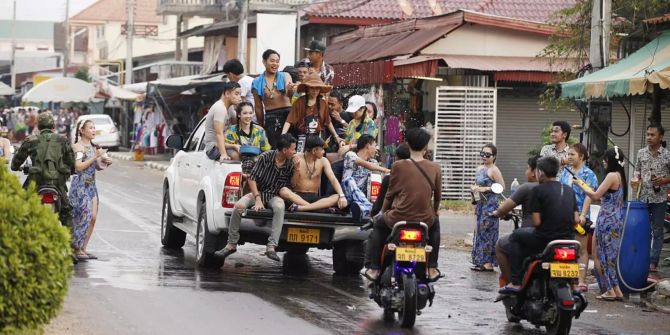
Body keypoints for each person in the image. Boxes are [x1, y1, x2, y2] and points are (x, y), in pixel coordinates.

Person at [362, 128, 443, 282]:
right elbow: (438, 197)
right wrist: (434, 212)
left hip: (397, 217)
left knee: (378, 225)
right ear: (426, 147)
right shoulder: (435, 168)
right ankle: (432, 267)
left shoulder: (398, 166)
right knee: (436, 226)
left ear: (409, 144)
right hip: (425, 219)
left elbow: (390, 194)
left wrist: (382, 212)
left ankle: (374, 268)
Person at [214, 134, 297, 262]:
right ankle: (231, 244)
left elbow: (293, 185)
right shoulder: (266, 157)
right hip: (258, 192)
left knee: (280, 206)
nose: (294, 152)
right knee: (238, 206)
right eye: (293, 149)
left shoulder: (290, 163)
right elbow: (252, 179)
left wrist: (297, 169)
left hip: (274, 195)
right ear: (285, 150)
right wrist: (257, 198)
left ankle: (271, 246)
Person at [500, 157, 578, 294]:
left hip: (544, 238)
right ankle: (575, 283)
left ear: (540, 172)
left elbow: (536, 222)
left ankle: (516, 282)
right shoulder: (568, 190)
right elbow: (576, 219)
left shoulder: (538, 190)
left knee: (515, 236)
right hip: (568, 239)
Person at [575, 146, 626, 300]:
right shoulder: (620, 175)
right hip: (616, 219)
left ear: (610, 161)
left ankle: (610, 290)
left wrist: (580, 184)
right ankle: (616, 290)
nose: (604, 162)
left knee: (603, 256)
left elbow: (596, 195)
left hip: (607, 220)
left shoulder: (611, 176)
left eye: (606, 159)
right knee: (609, 257)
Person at [11, 113, 75, 230]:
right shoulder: (63, 140)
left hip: (35, 182)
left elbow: (15, 164)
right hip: (57, 183)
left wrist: (17, 167)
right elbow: (71, 162)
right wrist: (70, 170)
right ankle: (72, 245)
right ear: (53, 126)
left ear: (38, 126)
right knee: (66, 212)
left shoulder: (30, 140)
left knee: (21, 208)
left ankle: (21, 240)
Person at [69, 119, 113, 260]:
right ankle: (75, 248)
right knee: (83, 216)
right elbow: (78, 167)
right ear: (82, 130)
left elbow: (98, 167)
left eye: (94, 128)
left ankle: (83, 247)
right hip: (80, 185)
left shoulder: (95, 147)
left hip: (91, 186)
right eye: (90, 128)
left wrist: (105, 161)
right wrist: (95, 156)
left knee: (92, 218)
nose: (94, 130)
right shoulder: (78, 147)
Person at [492, 155, 540, 284]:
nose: (526, 172)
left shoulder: (527, 188)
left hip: (533, 236)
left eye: (527, 168)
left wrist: (496, 213)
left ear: (536, 172)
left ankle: (513, 282)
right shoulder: (562, 188)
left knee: (500, 245)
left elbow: (503, 209)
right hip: (558, 235)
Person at [630, 124, 670, 273]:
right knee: (642, 229)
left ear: (660, 137)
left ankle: (653, 261)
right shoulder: (641, 153)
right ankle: (642, 257)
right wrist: (635, 179)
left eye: (652, 135)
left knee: (657, 231)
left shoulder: (667, 155)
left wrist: (664, 180)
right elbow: (637, 171)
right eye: (647, 134)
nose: (649, 137)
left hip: (659, 199)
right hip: (643, 197)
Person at [559, 143, 599, 292]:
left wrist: (583, 214)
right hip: (565, 215)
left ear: (581, 156)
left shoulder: (589, 174)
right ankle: (567, 278)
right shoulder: (565, 172)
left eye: (572, 155)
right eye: (568, 154)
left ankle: (582, 280)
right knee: (565, 247)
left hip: (581, 217)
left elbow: (590, 196)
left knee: (581, 249)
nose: (568, 157)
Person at [279, 135, 348, 212]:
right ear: (314, 151)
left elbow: (333, 179)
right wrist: (297, 169)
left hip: (315, 198)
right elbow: (292, 184)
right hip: (298, 196)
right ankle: (317, 209)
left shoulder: (324, 161)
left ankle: (303, 208)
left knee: (337, 197)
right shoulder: (296, 158)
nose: (324, 152)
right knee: (283, 191)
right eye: (322, 149)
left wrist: (342, 196)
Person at [252, 49, 297, 149]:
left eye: (277, 61)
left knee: (292, 146)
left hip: (289, 114)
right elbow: (258, 107)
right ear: (264, 61)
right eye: (272, 61)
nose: (275, 64)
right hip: (271, 117)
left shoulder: (285, 75)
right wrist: (261, 125)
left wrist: (290, 89)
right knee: (276, 148)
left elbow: (290, 94)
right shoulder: (257, 82)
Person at [282, 73, 341, 146]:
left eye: (317, 88)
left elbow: (328, 122)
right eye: (312, 88)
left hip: (318, 138)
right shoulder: (299, 102)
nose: (315, 91)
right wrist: (283, 135)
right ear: (307, 88)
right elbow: (289, 120)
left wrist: (336, 136)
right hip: (302, 137)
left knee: (319, 156)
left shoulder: (323, 103)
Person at [471, 143, 505, 272]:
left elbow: (501, 187)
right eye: (482, 154)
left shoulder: (494, 170)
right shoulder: (479, 168)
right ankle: (480, 260)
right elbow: (476, 183)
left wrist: (485, 188)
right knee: (479, 231)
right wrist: (474, 189)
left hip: (490, 205)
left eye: (487, 155)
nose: (484, 157)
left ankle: (488, 263)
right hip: (480, 204)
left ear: (494, 156)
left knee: (488, 232)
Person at [341, 134, 390, 220]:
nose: (376, 149)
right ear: (368, 146)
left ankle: (362, 208)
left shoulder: (374, 162)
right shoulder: (350, 155)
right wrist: (385, 170)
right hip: (348, 192)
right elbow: (367, 165)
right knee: (349, 180)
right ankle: (369, 208)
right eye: (375, 146)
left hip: (363, 198)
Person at [224, 102, 271, 175]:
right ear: (239, 115)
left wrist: (259, 158)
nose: (248, 116)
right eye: (245, 113)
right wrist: (234, 146)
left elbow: (267, 150)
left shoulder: (259, 130)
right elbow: (222, 144)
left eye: (250, 113)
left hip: (257, 166)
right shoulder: (232, 130)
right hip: (239, 168)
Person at [204, 81, 242, 162]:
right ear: (227, 94)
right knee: (236, 155)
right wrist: (223, 154)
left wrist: (240, 108)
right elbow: (219, 133)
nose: (240, 97)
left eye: (240, 94)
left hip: (226, 144)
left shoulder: (230, 108)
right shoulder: (220, 108)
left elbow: (238, 125)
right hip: (213, 147)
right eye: (236, 94)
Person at [370, 143, 410, 217]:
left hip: (394, 218)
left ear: (396, 159)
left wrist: (373, 216)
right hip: (421, 218)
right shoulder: (423, 176)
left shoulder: (390, 179)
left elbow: (380, 204)